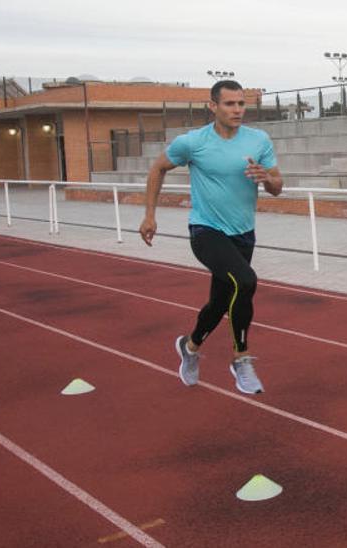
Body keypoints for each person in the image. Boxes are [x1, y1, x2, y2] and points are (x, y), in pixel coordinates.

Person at [139, 80, 282, 395]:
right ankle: (240, 359)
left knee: (220, 302)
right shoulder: (193, 143)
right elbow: (157, 169)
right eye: (230, 104)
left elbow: (277, 185)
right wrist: (150, 214)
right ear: (213, 106)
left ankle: (189, 347)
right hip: (206, 231)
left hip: (243, 234)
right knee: (245, 281)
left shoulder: (258, 140)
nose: (237, 110)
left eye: (241, 104)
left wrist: (267, 178)